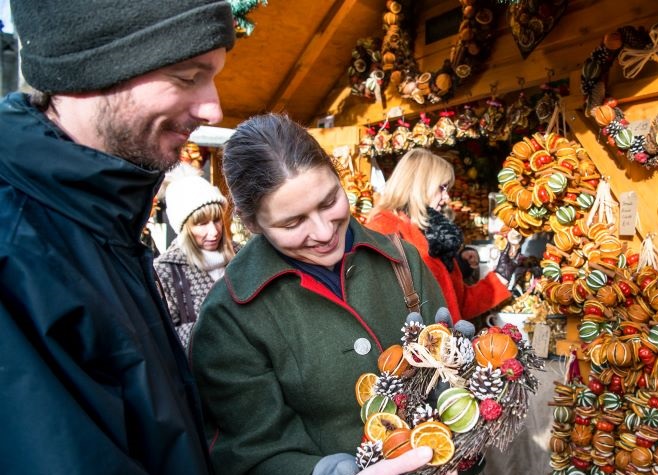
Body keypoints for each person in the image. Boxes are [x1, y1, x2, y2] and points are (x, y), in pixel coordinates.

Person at [0, 1, 236, 474]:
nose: (214, 107)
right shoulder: (19, 252)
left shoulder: (103, 218)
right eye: (186, 75)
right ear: (87, 70)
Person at [190, 113, 448, 475]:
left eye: (329, 202)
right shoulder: (229, 317)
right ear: (252, 224)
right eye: (292, 223)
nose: (324, 232)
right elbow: (249, 453)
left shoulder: (402, 260)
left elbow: (452, 373)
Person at [366, 148, 512, 323]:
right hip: (413, 347)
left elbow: (459, 306)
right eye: (442, 188)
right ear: (420, 185)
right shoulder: (383, 229)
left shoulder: (436, 235)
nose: (447, 196)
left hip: (444, 345)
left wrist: (500, 277)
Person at [154, 165, 237, 347]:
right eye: (201, 224)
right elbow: (163, 337)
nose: (213, 231)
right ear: (184, 228)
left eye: (217, 220)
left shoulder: (241, 256)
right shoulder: (165, 270)